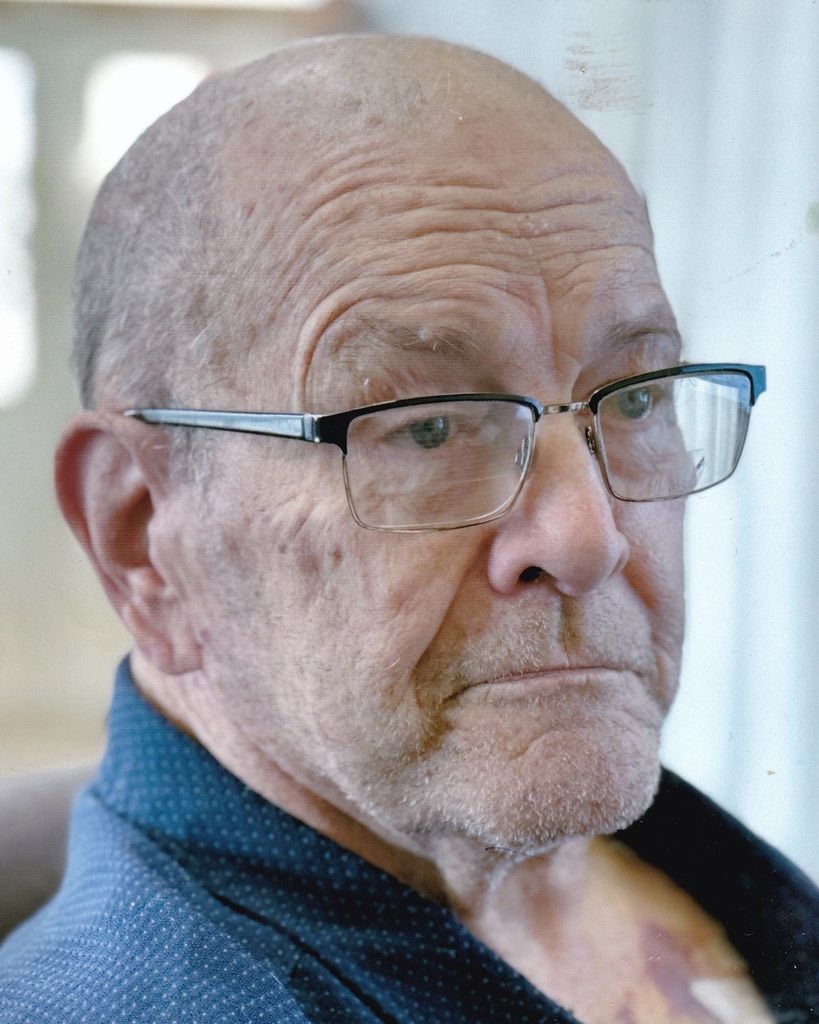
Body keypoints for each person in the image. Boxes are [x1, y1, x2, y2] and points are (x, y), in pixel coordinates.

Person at [0, 33, 815, 1024]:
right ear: (142, 537)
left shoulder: (658, 874)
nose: (588, 536)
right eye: (428, 427)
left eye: (636, 398)